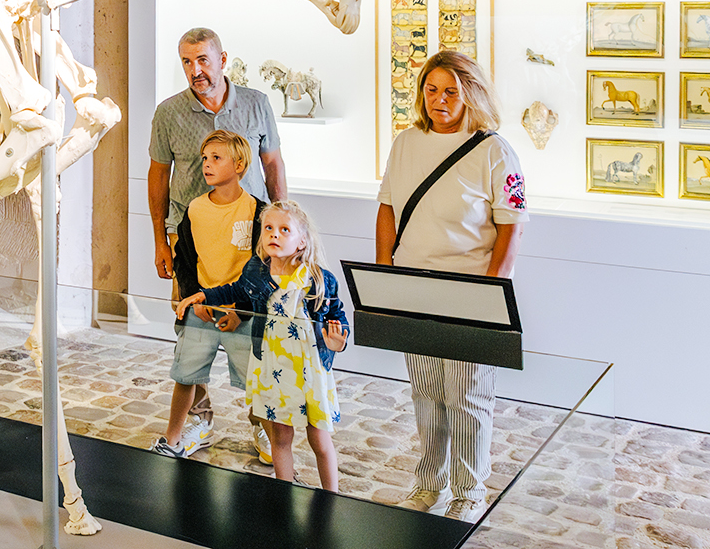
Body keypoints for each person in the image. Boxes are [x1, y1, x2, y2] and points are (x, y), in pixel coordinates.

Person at [375, 50, 527, 523]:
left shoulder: (494, 150)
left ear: (471, 94)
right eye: (431, 89)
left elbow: (511, 226)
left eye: (451, 91)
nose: (439, 100)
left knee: (469, 393)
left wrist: (490, 291)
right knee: (427, 389)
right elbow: (387, 209)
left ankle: (468, 491)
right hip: (413, 286)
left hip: (468, 290)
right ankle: (428, 483)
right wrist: (385, 276)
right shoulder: (405, 142)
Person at [148, 27, 286, 461]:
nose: (195, 70)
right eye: (187, 62)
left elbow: (274, 166)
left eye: (203, 60)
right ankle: (197, 420)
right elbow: (157, 178)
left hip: (252, 238)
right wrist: (160, 240)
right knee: (192, 326)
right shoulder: (168, 112)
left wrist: (284, 233)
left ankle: (261, 422)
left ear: (222, 59)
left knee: (254, 327)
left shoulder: (257, 103)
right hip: (189, 239)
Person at [177, 200, 349, 490]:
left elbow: (337, 317)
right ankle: (283, 493)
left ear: (302, 241)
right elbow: (233, 290)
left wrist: (336, 342)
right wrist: (203, 296)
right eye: (268, 228)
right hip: (272, 367)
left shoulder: (320, 280)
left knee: (319, 437)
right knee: (280, 437)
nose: (274, 234)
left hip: (309, 372)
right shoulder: (256, 271)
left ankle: (332, 496)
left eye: (284, 230)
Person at [149, 130, 265, 458]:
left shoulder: (258, 212)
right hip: (202, 310)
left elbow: (263, 269)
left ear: (240, 164)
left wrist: (240, 310)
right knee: (186, 373)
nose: (207, 165)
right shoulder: (195, 209)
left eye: (216, 158)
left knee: (257, 380)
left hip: (242, 314)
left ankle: (267, 433)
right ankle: (172, 438)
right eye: (204, 158)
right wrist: (193, 298)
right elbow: (186, 260)